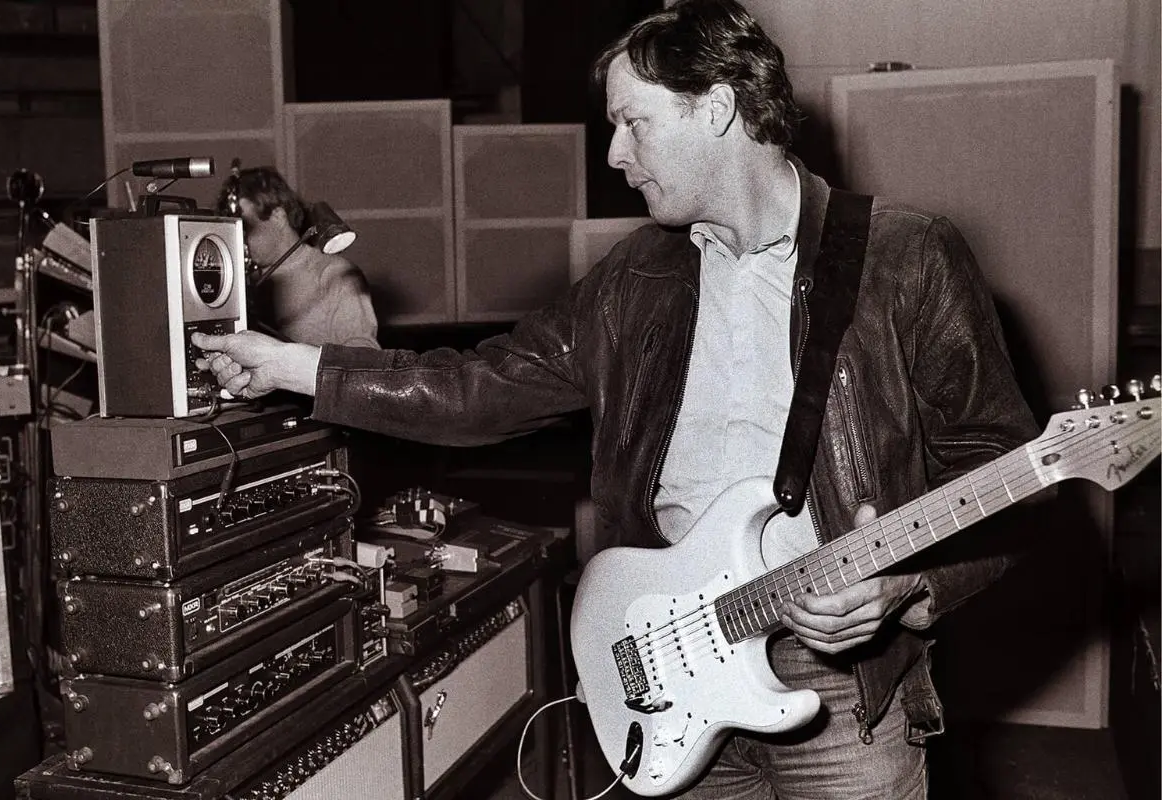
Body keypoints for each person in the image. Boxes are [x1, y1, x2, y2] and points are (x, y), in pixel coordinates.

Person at [193, 1, 1041, 797]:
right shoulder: (636, 276)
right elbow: (481, 387)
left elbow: (1006, 468)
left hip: (842, 680)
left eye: (634, 123)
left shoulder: (907, 256)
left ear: (717, 109)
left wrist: (907, 588)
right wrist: (295, 367)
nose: (614, 155)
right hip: (672, 658)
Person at [219, 166, 380, 348]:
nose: (239, 240)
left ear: (278, 216)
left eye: (246, 228)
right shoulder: (240, 282)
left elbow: (362, 354)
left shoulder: (335, 274)